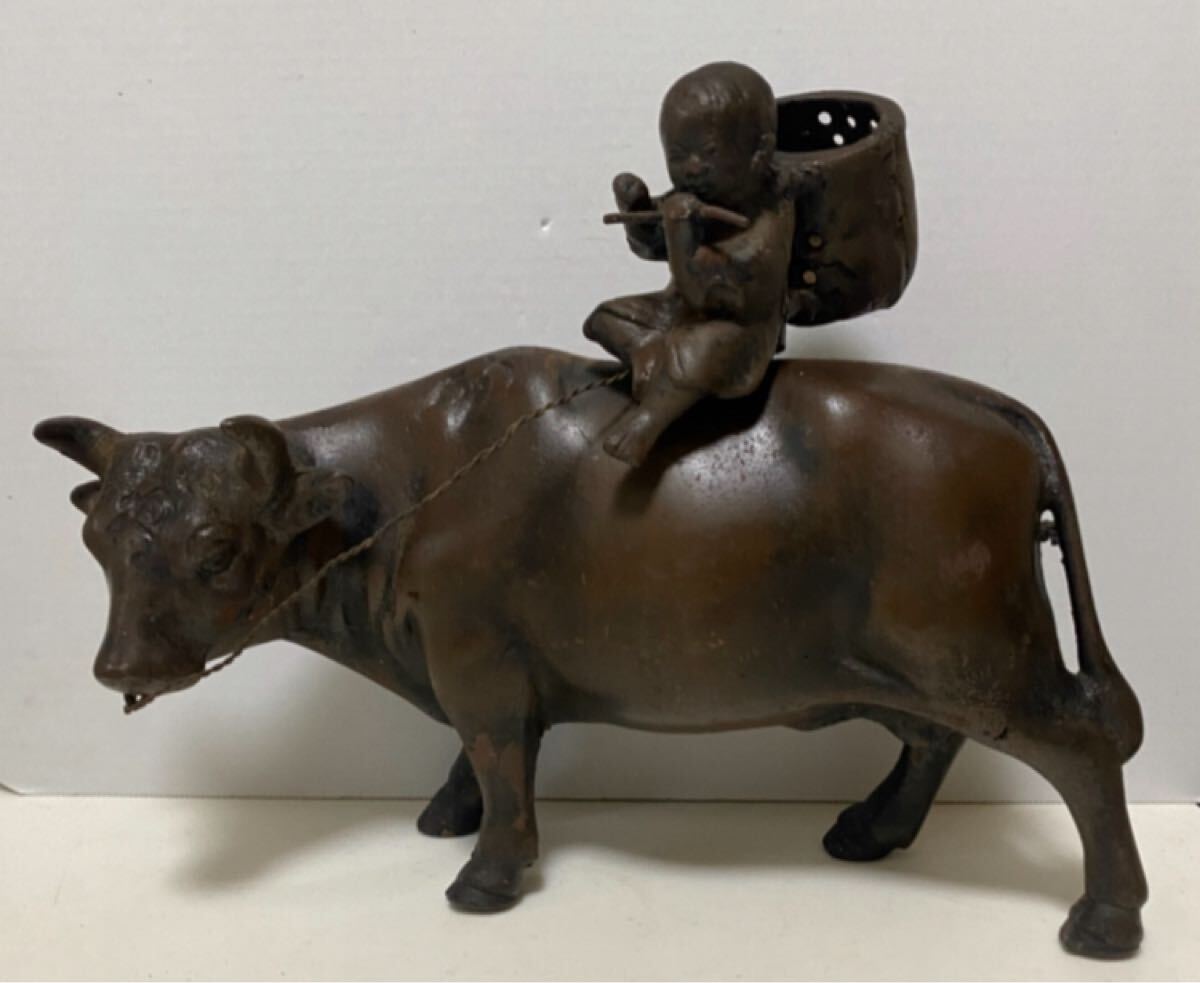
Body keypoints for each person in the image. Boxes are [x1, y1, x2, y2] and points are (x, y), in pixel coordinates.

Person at [583, 61, 796, 466]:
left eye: (709, 154)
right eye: (680, 156)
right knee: (606, 318)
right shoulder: (694, 197)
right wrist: (638, 210)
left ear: (759, 153)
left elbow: (707, 293)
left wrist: (681, 234)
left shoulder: (770, 215)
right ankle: (651, 355)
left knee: (699, 352)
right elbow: (652, 248)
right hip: (679, 311)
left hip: (738, 326)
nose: (693, 169)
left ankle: (648, 419)